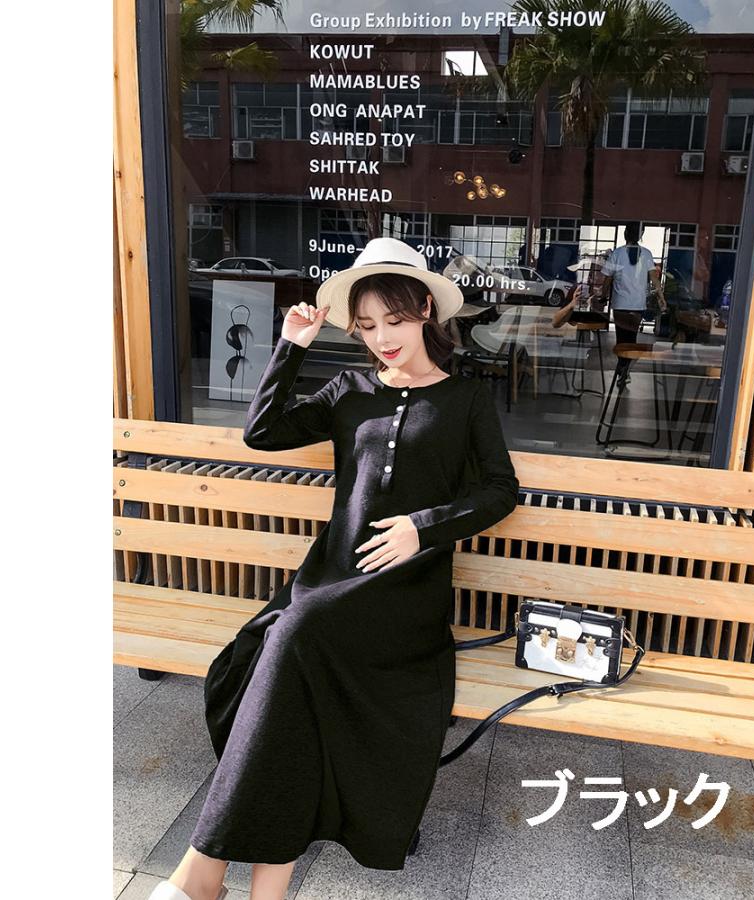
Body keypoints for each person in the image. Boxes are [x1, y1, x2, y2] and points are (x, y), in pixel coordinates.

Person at [148, 238, 520, 900]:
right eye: (367, 326)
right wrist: (291, 347)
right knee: (289, 668)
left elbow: (500, 491)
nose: (383, 339)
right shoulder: (350, 390)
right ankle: (256, 886)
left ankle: (201, 872)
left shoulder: (465, 398)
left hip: (404, 597)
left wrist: (421, 527)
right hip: (329, 578)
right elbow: (263, 433)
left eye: (394, 320)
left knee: (290, 645)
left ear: (425, 311)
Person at [595, 222, 667, 387]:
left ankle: (622, 367)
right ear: (640, 236)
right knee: (631, 340)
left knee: (621, 339)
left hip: (620, 305)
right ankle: (625, 370)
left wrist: (603, 296)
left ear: (625, 234)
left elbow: (607, 279)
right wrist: (661, 297)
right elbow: (654, 279)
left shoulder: (617, 253)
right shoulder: (646, 254)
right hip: (637, 306)